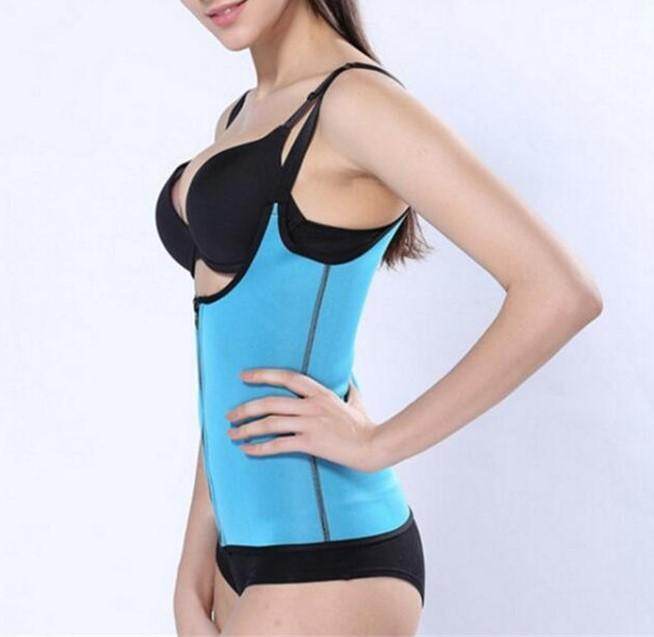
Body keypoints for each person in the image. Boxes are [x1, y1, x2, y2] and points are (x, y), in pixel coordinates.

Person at [154, 0, 603, 634]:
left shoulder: (353, 103)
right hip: (241, 552)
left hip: (329, 555)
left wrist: (376, 443)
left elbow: (560, 292)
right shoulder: (243, 114)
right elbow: (237, 363)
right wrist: (192, 563)